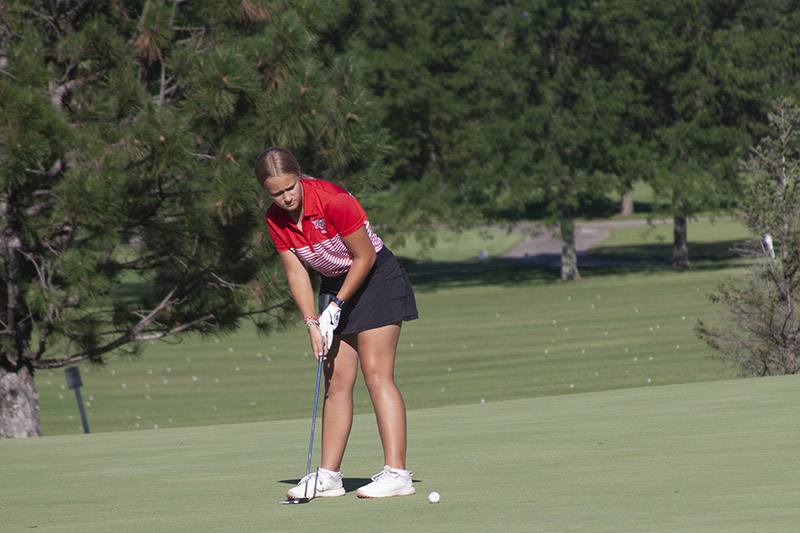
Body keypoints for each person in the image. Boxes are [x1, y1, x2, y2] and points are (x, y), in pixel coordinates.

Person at [254, 147, 418, 499]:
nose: (285, 198)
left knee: (376, 374)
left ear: (299, 176)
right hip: (333, 286)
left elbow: (365, 256)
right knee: (337, 381)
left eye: (290, 188)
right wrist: (312, 322)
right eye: (276, 193)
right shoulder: (275, 218)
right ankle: (329, 476)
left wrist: (338, 304)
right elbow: (296, 271)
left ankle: (398, 474)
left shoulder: (333, 200)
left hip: (375, 278)